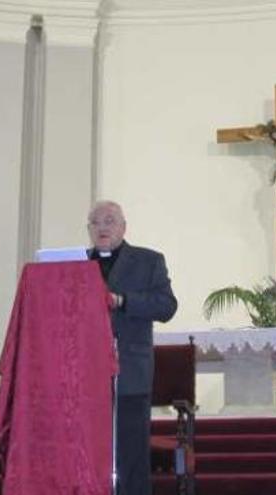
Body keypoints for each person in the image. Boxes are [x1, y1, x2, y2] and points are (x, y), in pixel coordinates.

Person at [86, 200, 177, 495]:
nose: (102, 227)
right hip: (85, 377)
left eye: (109, 220)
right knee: (87, 455)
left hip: (130, 374)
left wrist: (123, 301)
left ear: (124, 227)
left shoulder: (148, 261)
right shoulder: (75, 265)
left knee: (131, 457)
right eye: (96, 222)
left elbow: (166, 306)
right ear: (89, 229)